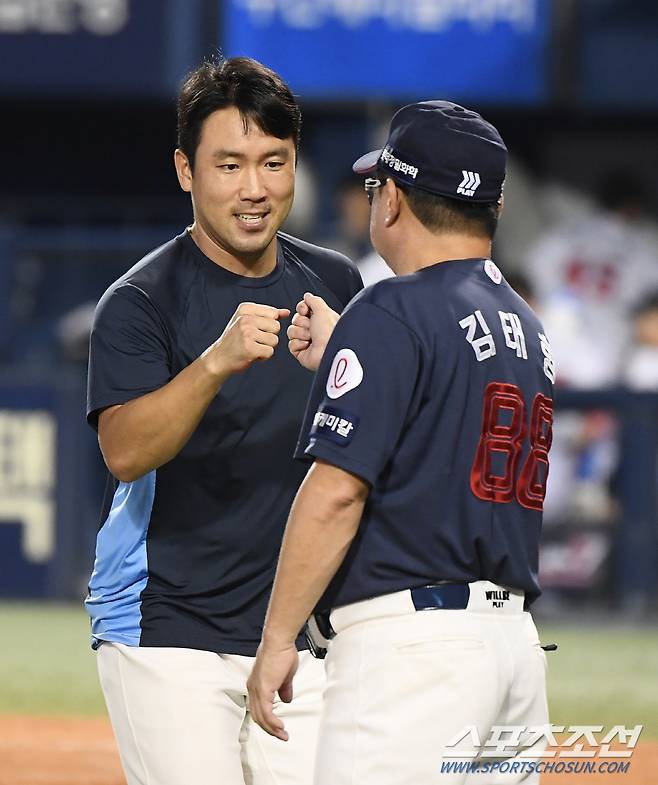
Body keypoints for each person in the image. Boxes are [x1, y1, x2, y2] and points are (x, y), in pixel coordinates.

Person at [248, 101, 555, 784]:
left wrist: (274, 639)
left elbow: (335, 493)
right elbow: (441, 411)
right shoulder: (527, 326)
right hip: (513, 651)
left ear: (393, 199)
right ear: (493, 207)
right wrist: (348, 353)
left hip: (416, 654)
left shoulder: (390, 306)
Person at [85, 57, 362, 785]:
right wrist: (214, 362)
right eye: (229, 164)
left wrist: (350, 371)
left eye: (273, 162)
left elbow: (370, 447)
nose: (254, 188)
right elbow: (124, 451)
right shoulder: (140, 300)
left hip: (292, 634)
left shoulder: (336, 283)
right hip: (163, 626)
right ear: (186, 170)